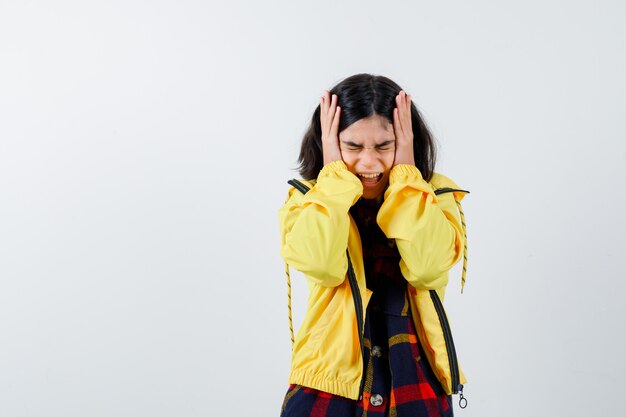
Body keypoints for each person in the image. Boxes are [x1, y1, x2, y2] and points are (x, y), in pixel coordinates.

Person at [278, 73, 470, 417]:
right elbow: (321, 265)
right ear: (331, 144)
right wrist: (334, 175)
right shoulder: (309, 200)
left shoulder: (434, 197)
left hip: (415, 381)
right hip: (328, 384)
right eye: (352, 147)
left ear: (408, 140)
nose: (369, 162)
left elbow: (427, 269)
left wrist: (407, 176)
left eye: (385, 145)